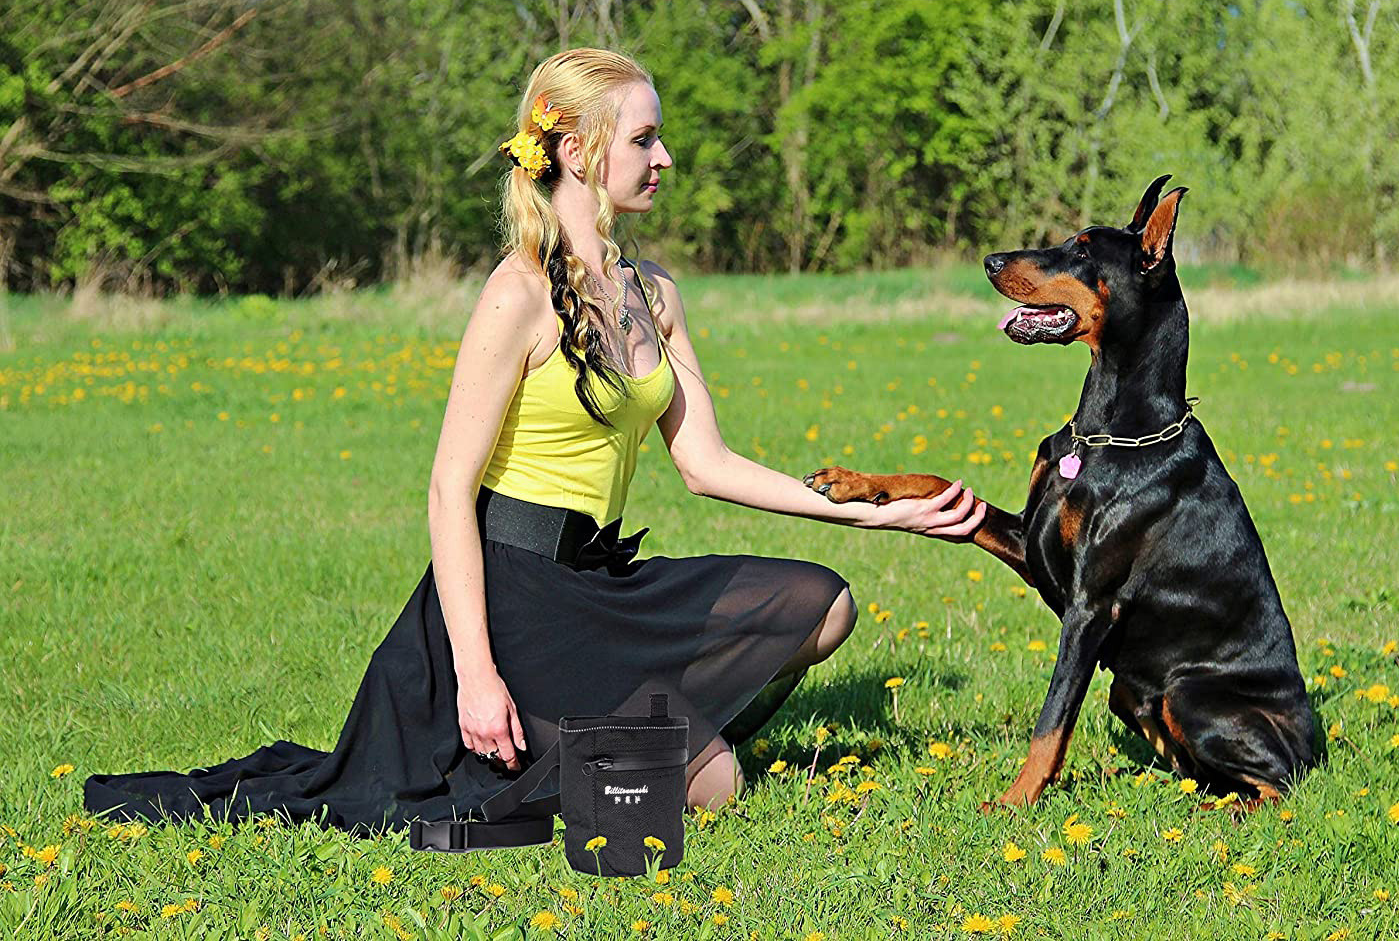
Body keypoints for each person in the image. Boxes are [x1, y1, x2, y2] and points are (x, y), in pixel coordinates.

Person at [83, 48, 987, 836]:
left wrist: (877, 515)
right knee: (716, 785)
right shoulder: (515, 295)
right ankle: (525, 747)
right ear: (575, 149)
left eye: (658, 138)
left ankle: (607, 717)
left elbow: (705, 464)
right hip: (513, 594)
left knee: (824, 603)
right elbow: (448, 490)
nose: (664, 158)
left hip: (601, 579)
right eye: (643, 140)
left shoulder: (655, 292)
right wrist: (476, 674)